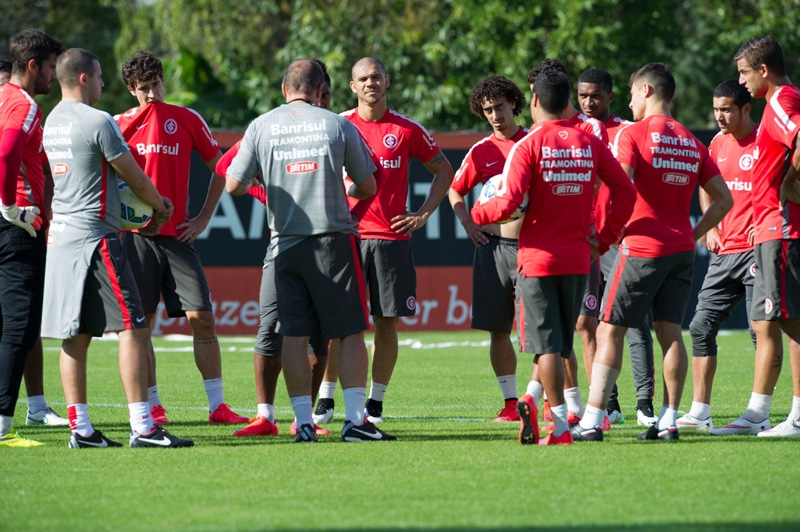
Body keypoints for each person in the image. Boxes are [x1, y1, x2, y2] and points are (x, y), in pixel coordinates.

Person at [225, 58, 395, 442]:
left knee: (294, 336)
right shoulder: (337, 123)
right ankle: (355, 421)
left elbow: (233, 185)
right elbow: (368, 185)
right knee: (349, 333)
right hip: (332, 240)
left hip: (284, 243)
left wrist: (264, 177)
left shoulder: (261, 126)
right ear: (321, 91)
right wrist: (341, 188)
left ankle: (303, 423)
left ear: (284, 90)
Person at [471, 70, 636, 445]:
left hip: (537, 261)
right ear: (568, 103)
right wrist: (605, 239)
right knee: (564, 341)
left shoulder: (526, 146)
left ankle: (558, 423)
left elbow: (509, 202)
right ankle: (540, 400)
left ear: (532, 103)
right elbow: (624, 192)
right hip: (579, 259)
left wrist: (479, 213)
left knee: (546, 345)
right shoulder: (589, 143)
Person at [41, 48, 193, 448]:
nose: (106, 84)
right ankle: (143, 427)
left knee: (74, 336)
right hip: (95, 238)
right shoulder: (98, 120)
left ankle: (82, 429)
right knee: (133, 327)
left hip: (60, 238)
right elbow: (137, 180)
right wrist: (160, 209)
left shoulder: (50, 122)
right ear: (85, 78)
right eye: (101, 76)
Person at [574, 63, 732, 442]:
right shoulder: (693, 141)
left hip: (642, 246)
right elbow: (725, 199)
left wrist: (605, 232)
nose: (628, 102)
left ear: (646, 90)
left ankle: (592, 420)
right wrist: (691, 233)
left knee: (610, 330)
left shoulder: (635, 134)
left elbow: (619, 185)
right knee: (671, 333)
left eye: (630, 94)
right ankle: (668, 420)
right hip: (681, 249)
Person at [114, 51, 247, 426]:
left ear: (163, 81)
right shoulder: (117, 124)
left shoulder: (186, 118)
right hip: (135, 240)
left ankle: (217, 406)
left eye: (155, 85)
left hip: (178, 238)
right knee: (141, 327)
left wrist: (203, 217)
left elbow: (220, 168)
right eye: (143, 89)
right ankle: (154, 406)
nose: (152, 94)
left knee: (202, 317)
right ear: (131, 89)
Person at [323, 57, 453, 424]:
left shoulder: (407, 129)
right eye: (362, 79)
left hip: (391, 239)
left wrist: (424, 213)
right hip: (346, 237)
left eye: (376, 77)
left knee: (386, 323)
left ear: (387, 81)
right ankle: (326, 398)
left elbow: (444, 168)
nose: (370, 83)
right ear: (352, 86)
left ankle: (375, 401)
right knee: (337, 324)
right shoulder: (338, 125)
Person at [217, 60, 334, 437]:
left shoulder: (336, 128)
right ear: (317, 92)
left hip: (329, 241)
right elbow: (226, 166)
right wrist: (267, 192)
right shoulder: (272, 127)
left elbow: (367, 181)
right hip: (283, 243)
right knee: (271, 328)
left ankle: (307, 419)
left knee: (320, 334)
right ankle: (264, 416)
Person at [712, 36, 800, 437]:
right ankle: (764, 413)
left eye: (745, 72)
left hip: (781, 226)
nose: (742, 81)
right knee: (783, 318)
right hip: (772, 228)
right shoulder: (779, 102)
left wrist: (791, 180)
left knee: (790, 319)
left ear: (763, 70)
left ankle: (796, 415)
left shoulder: (782, 100)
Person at [523, 59, 608, 427]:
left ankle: (594, 410)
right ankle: (566, 406)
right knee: (567, 331)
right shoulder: (537, 135)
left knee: (583, 326)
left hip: (581, 242)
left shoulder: (589, 131)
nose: (588, 102)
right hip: (566, 247)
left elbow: (608, 185)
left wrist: (602, 235)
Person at [673, 80, 758, 431]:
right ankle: (700, 412)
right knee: (700, 326)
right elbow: (706, 186)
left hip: (757, 251)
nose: (720, 116)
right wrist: (710, 226)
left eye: (727, 109)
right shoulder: (716, 144)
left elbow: (787, 187)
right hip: (724, 254)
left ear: (745, 109)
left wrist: (772, 222)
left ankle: (759, 413)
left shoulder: (766, 141)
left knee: (760, 333)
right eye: (716, 109)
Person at [577, 67, 657, 425]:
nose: (588, 102)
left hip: (619, 240)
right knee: (587, 323)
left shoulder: (630, 131)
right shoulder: (574, 131)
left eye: (596, 95)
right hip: (583, 240)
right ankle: (608, 404)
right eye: (582, 95)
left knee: (634, 322)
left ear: (611, 97)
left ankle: (644, 404)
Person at [448, 76, 528, 422]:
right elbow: (455, 191)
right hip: (493, 249)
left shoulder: (534, 142)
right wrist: (468, 224)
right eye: (488, 110)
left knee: (543, 331)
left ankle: (550, 400)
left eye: (499, 107)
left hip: (531, 249)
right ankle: (511, 403)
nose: (495, 115)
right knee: (499, 330)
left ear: (513, 102)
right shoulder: (481, 151)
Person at [0, 29, 64, 448]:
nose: (55, 76)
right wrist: (10, 207)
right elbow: (6, 153)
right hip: (18, 225)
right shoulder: (23, 104)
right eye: (52, 67)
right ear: (32, 66)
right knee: (20, 327)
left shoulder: (1, 97)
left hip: (8, 222)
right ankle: (3, 428)